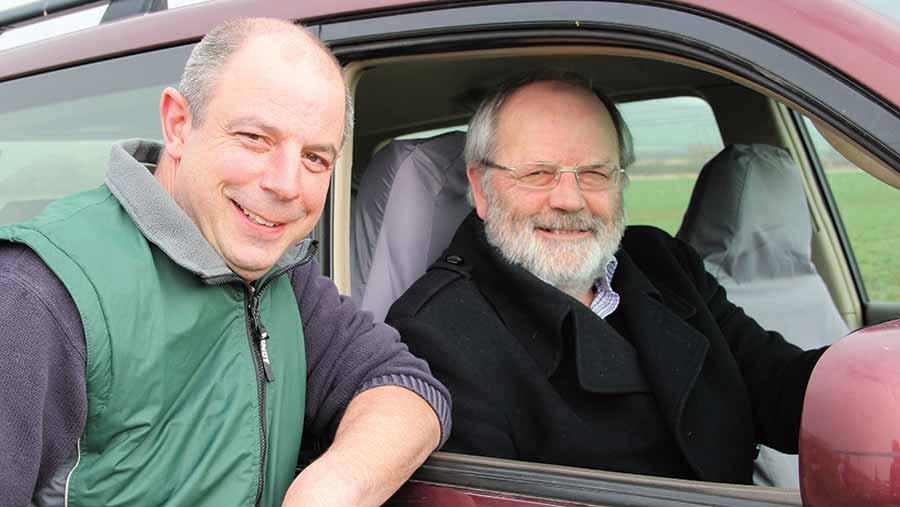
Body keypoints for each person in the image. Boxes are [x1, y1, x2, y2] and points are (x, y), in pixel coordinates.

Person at [0, 18, 450, 507]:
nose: (286, 185)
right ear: (178, 124)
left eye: (315, 158)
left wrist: (335, 485)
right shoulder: (39, 294)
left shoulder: (280, 279)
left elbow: (407, 387)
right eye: (255, 138)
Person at [386, 72, 825, 485]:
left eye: (595, 173)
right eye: (538, 173)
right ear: (482, 189)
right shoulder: (437, 332)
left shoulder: (662, 262)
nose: (569, 199)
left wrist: (861, 374)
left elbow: (778, 387)